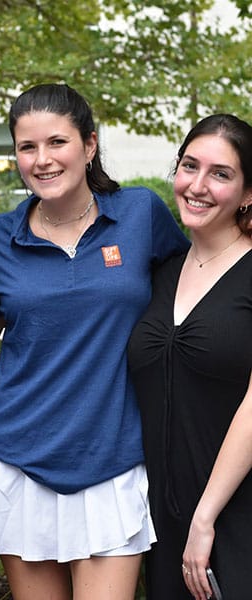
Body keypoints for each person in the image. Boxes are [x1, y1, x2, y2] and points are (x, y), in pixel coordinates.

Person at [0, 83, 190, 600]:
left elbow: (194, 287)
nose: (42, 159)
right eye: (27, 147)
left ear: (89, 145)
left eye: (57, 142)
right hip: (17, 460)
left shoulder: (140, 214)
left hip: (112, 458)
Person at [128, 114, 252, 600]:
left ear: (247, 192)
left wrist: (206, 517)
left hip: (233, 516)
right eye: (189, 166)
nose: (198, 186)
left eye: (220, 174)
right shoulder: (161, 272)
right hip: (164, 519)